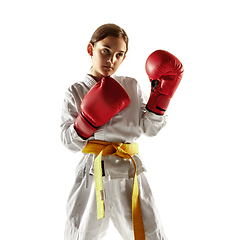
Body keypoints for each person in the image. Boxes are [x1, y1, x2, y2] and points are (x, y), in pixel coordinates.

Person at [60, 23, 183, 240]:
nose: (112, 60)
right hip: (93, 172)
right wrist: (86, 122)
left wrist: (161, 98)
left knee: (149, 234)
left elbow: (149, 129)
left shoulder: (131, 86)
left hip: (129, 171)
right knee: (81, 235)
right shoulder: (76, 90)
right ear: (91, 49)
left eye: (119, 54)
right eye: (105, 51)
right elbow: (68, 142)